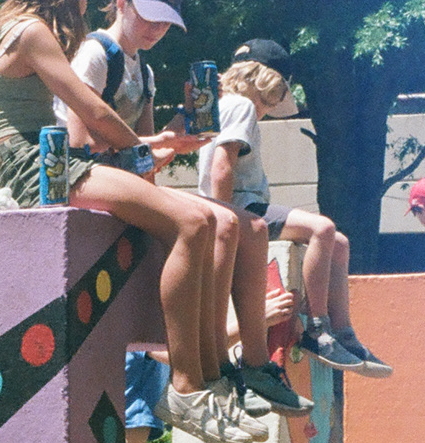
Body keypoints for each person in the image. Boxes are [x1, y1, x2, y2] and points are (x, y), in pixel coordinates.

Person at [0, 0, 258, 443]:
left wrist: (158, 144)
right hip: (40, 168)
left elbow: (116, 138)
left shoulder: (22, 31)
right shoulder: (31, 32)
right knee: (191, 222)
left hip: (50, 162)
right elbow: (95, 116)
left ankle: (210, 378)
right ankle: (185, 387)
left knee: (213, 220)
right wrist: (144, 151)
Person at [54, 7, 311, 420]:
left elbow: (144, 162)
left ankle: (249, 366)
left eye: (165, 21)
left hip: (122, 181)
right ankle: (205, 373)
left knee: (251, 227)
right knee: (212, 222)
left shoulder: (145, 72)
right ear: (121, 3)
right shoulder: (95, 53)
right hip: (84, 176)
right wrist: (160, 141)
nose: (157, 29)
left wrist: (180, 130)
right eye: (149, 15)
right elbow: (81, 143)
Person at [201, 39, 391, 380]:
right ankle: (317, 328)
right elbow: (221, 169)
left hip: (242, 205)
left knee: (339, 244)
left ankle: (344, 334)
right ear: (264, 82)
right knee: (323, 229)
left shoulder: (221, 105)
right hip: (244, 206)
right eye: (271, 99)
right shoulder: (242, 107)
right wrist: (226, 217)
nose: (267, 109)